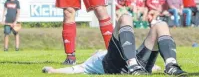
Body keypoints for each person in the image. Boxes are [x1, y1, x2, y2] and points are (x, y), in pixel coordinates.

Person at [42, 14, 187, 76]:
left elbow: (154, 67)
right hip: (116, 65)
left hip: (137, 63)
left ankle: (171, 65)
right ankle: (132, 65)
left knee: (161, 24)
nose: (96, 50)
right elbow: (74, 69)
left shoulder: (121, 50)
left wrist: (155, 67)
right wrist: (54, 71)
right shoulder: (90, 62)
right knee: (125, 17)